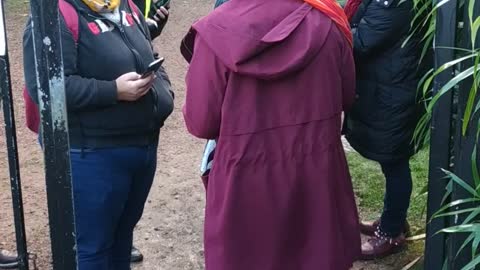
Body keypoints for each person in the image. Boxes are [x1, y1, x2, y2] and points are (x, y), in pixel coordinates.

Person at [181, 0, 360, 269]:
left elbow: (201, 123)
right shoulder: (329, 24)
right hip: (317, 179)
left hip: (244, 184)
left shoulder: (215, 32)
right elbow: (346, 96)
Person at [23, 0, 174, 269]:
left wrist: (164, 88)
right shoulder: (54, 12)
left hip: (141, 146)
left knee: (121, 239)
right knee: (92, 249)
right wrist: (113, 90)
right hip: (91, 155)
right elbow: (46, 87)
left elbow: (147, 52)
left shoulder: (124, 4)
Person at [343, 0, 424, 260]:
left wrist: (327, 28)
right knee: (393, 162)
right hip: (389, 86)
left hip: (394, 93)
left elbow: (362, 41)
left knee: (395, 162)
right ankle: (393, 219)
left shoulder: (394, 3)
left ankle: (391, 233)